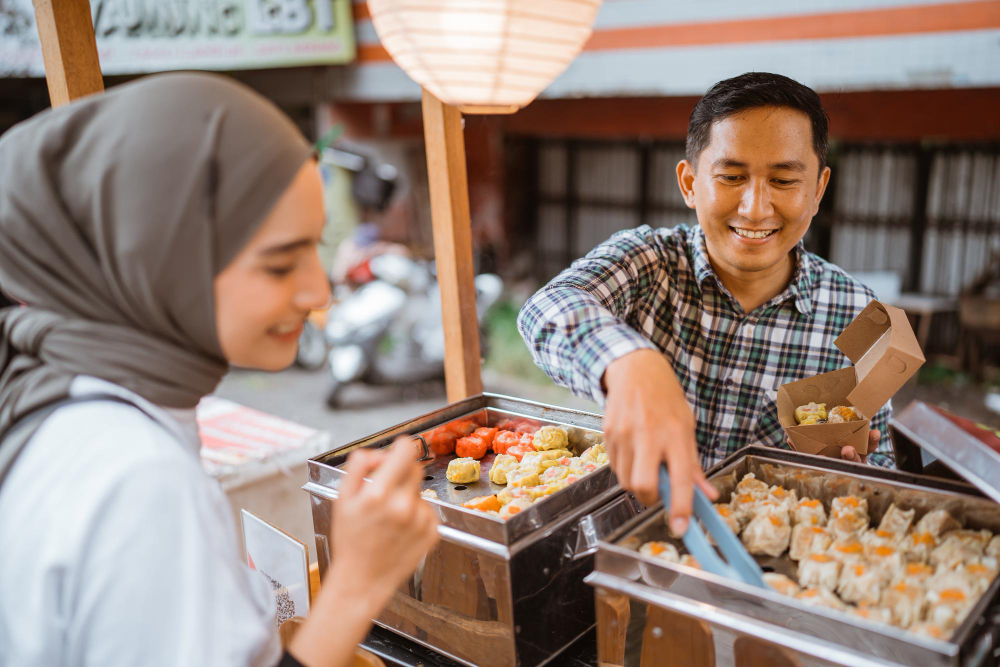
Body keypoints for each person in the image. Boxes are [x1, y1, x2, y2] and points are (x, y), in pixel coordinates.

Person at [0, 73, 438, 667]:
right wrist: (358, 581)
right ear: (157, 263)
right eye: (281, 265)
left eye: (316, 247)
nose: (315, 290)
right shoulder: (136, 479)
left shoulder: (62, 388)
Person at [517, 72, 890, 536]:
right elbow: (547, 306)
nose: (755, 208)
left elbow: (882, 474)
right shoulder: (650, 261)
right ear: (690, 183)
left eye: (783, 180)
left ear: (817, 189)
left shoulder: (863, 317)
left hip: (763, 572)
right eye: (732, 177)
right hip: (626, 546)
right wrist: (630, 363)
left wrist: (856, 472)